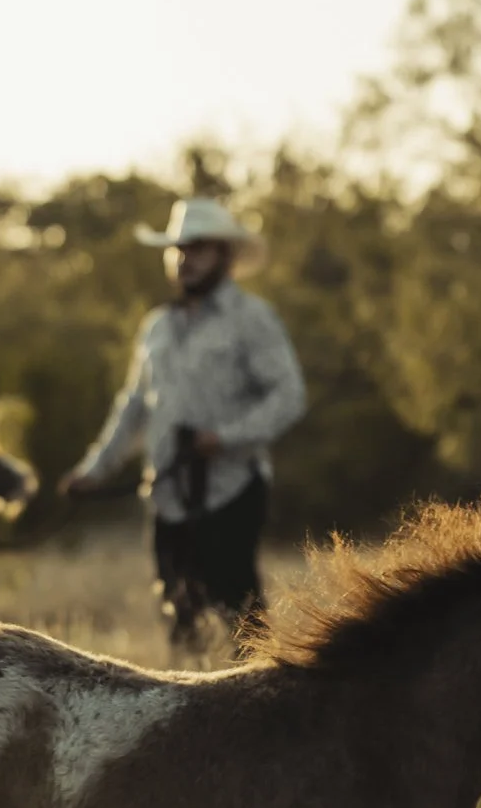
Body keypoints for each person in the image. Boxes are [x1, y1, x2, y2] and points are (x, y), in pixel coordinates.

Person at [60, 196, 307, 648]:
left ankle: (262, 706)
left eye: (198, 249)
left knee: (244, 621)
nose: (185, 259)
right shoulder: (157, 327)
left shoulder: (253, 320)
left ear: (224, 255)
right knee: (181, 619)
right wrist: (95, 470)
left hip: (231, 490)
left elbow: (289, 396)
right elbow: (133, 405)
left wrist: (226, 438)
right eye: (179, 249)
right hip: (168, 495)